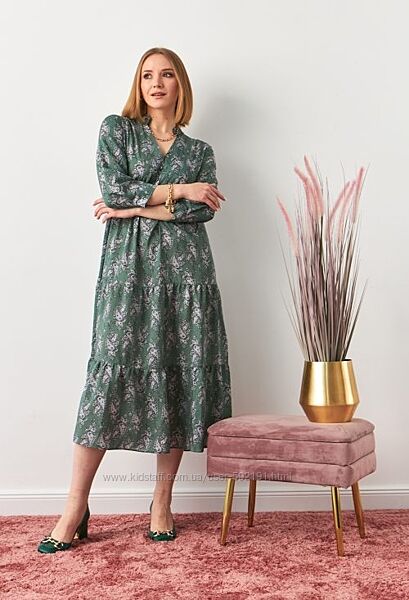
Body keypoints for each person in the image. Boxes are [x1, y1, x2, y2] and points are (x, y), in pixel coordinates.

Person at [37, 47, 232, 552]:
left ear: (180, 84)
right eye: (147, 75)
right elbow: (114, 189)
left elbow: (201, 213)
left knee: (177, 373)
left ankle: (161, 501)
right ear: (138, 84)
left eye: (166, 74)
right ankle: (75, 505)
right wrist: (180, 191)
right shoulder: (117, 131)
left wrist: (135, 209)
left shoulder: (200, 150)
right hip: (128, 275)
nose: (156, 83)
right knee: (108, 376)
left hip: (187, 278)